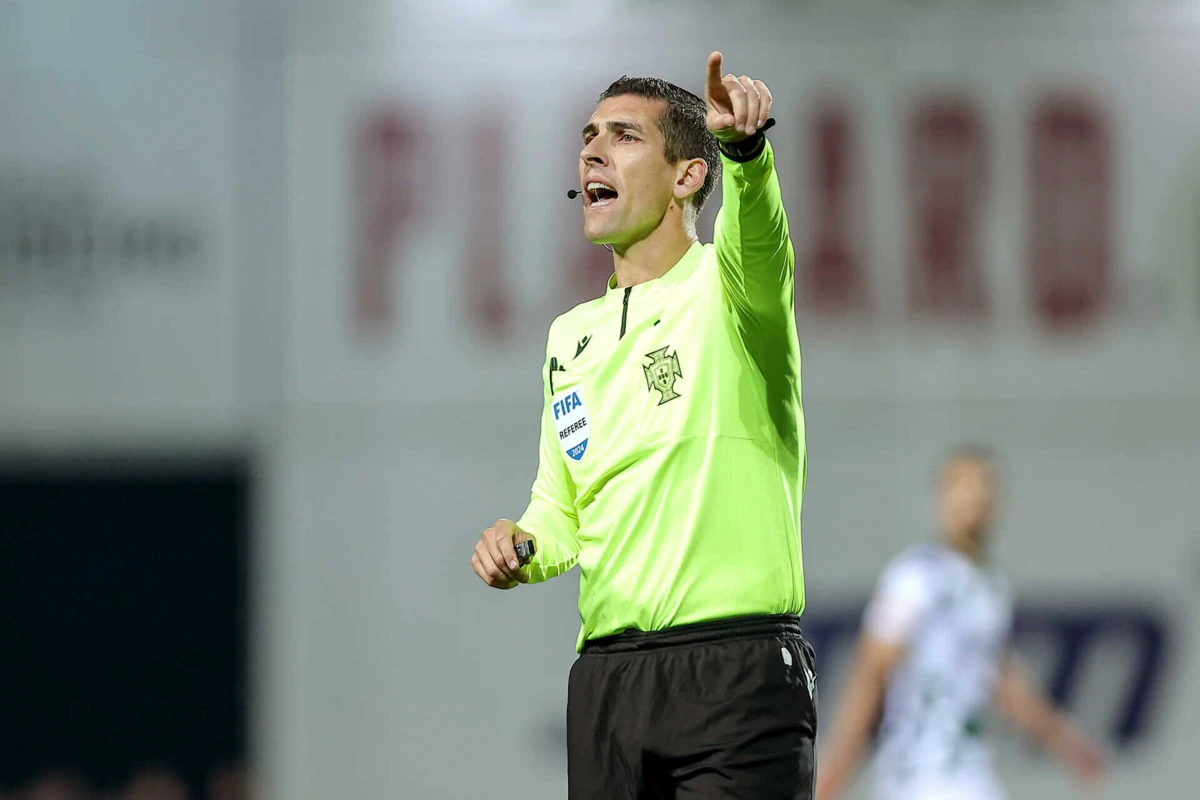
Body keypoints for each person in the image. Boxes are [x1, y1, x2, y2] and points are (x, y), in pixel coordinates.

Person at [470, 51, 816, 798]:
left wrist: (746, 156)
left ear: (687, 176)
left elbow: (760, 238)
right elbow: (562, 509)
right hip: (610, 682)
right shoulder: (569, 337)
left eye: (624, 136)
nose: (592, 151)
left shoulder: (733, 288)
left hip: (736, 667)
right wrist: (521, 544)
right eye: (588, 137)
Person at [815, 446, 1109, 800]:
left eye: (983, 485)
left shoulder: (989, 586)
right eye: (960, 485)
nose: (973, 496)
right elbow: (869, 680)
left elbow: (1000, 680)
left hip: (967, 772)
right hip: (919, 776)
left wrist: (1064, 739)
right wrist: (831, 778)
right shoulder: (914, 578)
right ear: (940, 499)